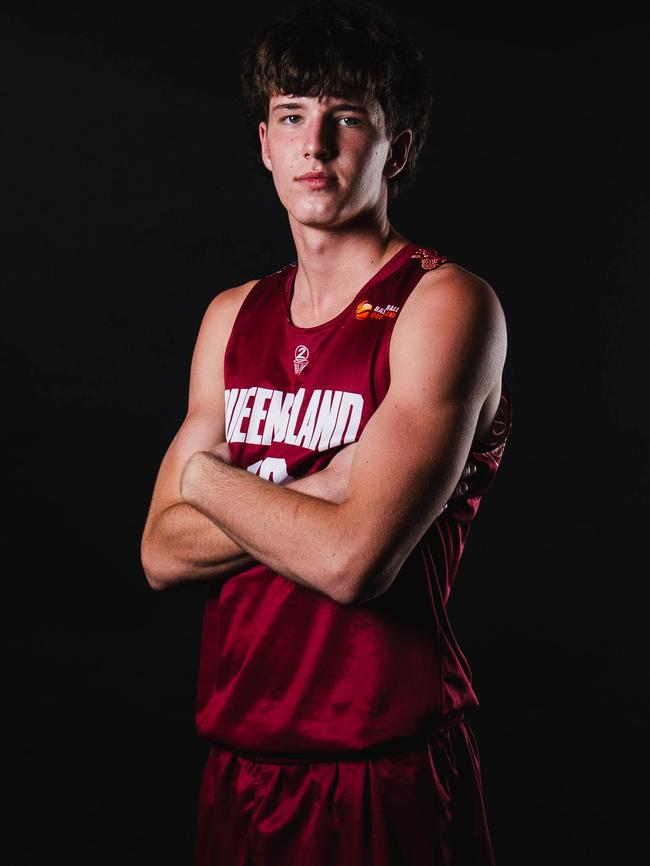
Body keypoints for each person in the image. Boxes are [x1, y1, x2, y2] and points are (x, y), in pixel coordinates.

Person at [140, 1, 512, 863]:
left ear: (398, 148)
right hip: (240, 761)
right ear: (264, 143)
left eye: (346, 120)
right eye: (292, 118)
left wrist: (206, 479)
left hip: (380, 766)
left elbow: (353, 561)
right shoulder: (232, 317)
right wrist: (322, 487)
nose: (315, 146)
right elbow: (160, 551)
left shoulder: (443, 305)